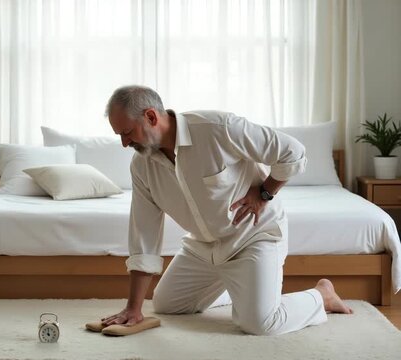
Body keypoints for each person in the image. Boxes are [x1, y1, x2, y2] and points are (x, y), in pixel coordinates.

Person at [101, 85, 352, 336]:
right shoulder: (142, 166)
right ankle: (243, 290)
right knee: (167, 304)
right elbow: (144, 234)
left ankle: (321, 296)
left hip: (252, 236)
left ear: (151, 117)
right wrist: (133, 308)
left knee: (260, 323)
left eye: (127, 132)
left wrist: (265, 193)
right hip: (203, 246)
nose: (124, 143)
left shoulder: (218, 128)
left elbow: (292, 152)